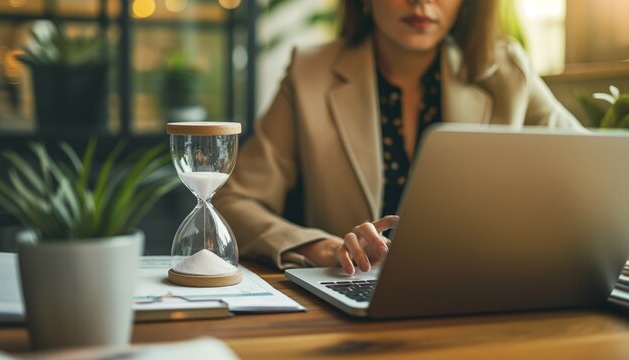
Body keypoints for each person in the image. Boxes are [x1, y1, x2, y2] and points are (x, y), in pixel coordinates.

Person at [213, 0, 583, 274]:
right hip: (356, 292)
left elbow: (592, 171)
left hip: (483, 285)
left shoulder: (507, 70)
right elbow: (234, 201)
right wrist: (324, 247)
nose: (421, 2)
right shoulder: (309, 72)